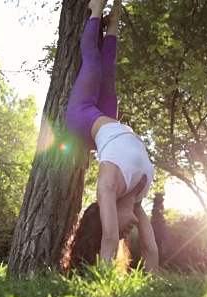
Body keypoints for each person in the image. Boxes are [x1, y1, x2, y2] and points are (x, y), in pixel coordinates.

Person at [64, 0, 158, 272]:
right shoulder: (137, 197)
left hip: (82, 119)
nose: (123, 234)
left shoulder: (107, 184)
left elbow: (107, 238)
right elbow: (151, 250)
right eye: (122, 236)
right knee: (109, 76)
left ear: (108, 214)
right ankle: (114, 23)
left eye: (117, 229)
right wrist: (154, 285)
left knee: (92, 64)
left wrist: (103, 285)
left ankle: (95, 9)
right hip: (108, 127)